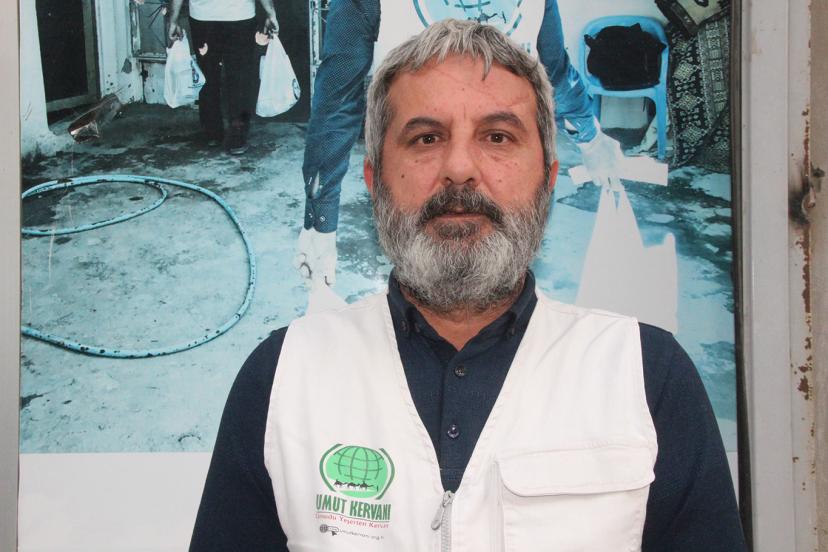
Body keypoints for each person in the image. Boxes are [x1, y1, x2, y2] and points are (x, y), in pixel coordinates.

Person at [190, 20, 746, 551]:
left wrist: (592, 134)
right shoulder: (283, 378)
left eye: (497, 136)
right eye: (426, 137)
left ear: (548, 180)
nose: (459, 168)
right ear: (375, 182)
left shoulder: (646, 377)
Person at [294, 0, 626, 289]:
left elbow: (554, 71)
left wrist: (591, 139)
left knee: (508, 299)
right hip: (420, 189)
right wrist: (320, 218)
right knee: (419, 299)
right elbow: (338, 99)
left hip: (508, 187)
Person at [168, 0, 279, 154]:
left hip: (203, 16)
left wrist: (173, 20)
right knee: (240, 77)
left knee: (208, 75)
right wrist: (271, 13)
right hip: (240, 15)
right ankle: (237, 134)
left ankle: (212, 131)